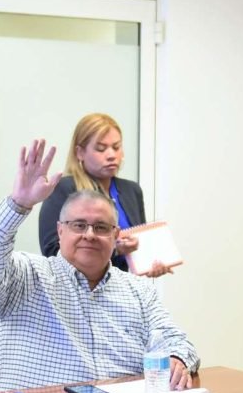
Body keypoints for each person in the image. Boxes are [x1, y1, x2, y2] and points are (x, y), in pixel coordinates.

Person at [0, 139, 198, 391]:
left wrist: (176, 358)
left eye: (101, 227)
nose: (89, 235)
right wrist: (18, 203)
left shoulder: (139, 291)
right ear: (60, 231)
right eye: (79, 225)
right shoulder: (25, 277)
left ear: (115, 235)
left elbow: (176, 340)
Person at [37, 113, 172, 277]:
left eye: (116, 147)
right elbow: (51, 250)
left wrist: (149, 264)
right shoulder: (64, 188)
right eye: (101, 149)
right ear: (80, 152)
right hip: (75, 287)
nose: (111, 155)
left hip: (119, 286)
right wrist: (114, 250)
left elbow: (137, 248)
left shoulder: (132, 190)